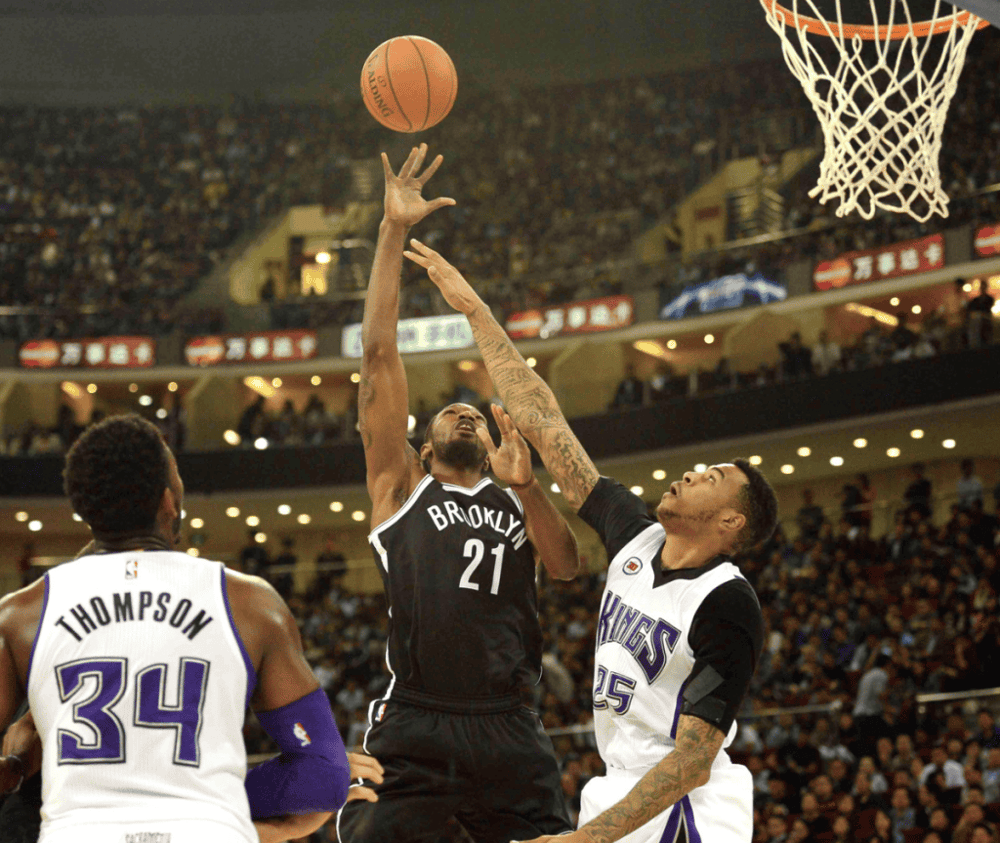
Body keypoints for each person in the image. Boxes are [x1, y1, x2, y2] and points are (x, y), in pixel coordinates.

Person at [405, 235, 779, 843]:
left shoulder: (726, 603)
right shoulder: (634, 535)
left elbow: (692, 760)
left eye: (710, 479)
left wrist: (584, 840)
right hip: (616, 786)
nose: (689, 474)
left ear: (731, 523)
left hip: (686, 805)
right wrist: (476, 310)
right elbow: (543, 419)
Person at [337, 145, 578, 843]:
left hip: (509, 720)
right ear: (421, 447)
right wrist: (392, 231)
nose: (465, 410)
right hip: (418, 716)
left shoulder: (512, 498)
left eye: (473, 408)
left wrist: (530, 490)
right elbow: (379, 355)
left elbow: (564, 566)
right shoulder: (400, 489)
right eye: (449, 412)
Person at [0, 414, 379, 843]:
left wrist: (16, 770)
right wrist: (216, 803)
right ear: (168, 501)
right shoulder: (251, 604)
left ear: (85, 508)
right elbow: (323, 773)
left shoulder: (20, 615)